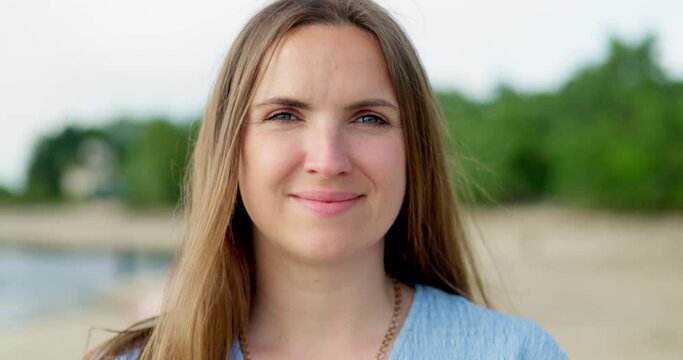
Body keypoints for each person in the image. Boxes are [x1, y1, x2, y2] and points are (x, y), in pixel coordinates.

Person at [87, 0, 566, 359]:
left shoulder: (515, 352)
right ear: (232, 150)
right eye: (285, 115)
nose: (328, 160)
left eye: (369, 119)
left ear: (412, 153)